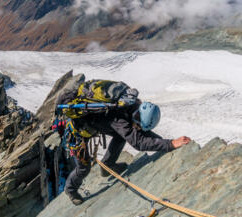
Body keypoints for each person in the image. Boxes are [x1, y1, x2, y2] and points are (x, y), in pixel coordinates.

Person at [55, 82, 191, 205]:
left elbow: (140, 132)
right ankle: (70, 189)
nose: (137, 127)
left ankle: (108, 165)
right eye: (138, 125)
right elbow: (139, 142)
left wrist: (168, 142)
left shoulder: (132, 104)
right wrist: (170, 144)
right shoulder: (119, 118)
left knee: (121, 136)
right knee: (84, 168)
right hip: (78, 130)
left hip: (94, 123)